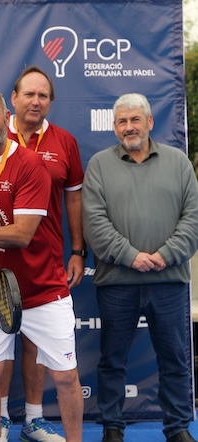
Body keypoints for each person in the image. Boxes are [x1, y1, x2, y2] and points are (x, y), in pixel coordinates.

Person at [0, 87, 83, 442]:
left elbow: (22, 234)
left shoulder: (29, 163)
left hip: (42, 290)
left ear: (6, 118)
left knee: (66, 376)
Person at [82, 93, 198, 442]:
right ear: (114, 126)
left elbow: (192, 219)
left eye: (135, 120)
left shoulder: (179, 162)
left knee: (175, 359)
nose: (129, 127)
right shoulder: (100, 165)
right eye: (122, 121)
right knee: (112, 359)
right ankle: (113, 427)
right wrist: (131, 255)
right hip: (118, 281)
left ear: (150, 122)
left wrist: (166, 254)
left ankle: (178, 426)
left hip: (169, 280)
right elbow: (94, 222)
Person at [0, 66, 86, 442]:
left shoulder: (64, 141)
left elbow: (74, 197)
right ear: (12, 99)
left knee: (36, 345)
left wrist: (77, 250)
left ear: (50, 102)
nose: (35, 101)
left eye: (42, 95)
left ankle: (33, 419)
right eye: (28, 94)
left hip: (45, 265)